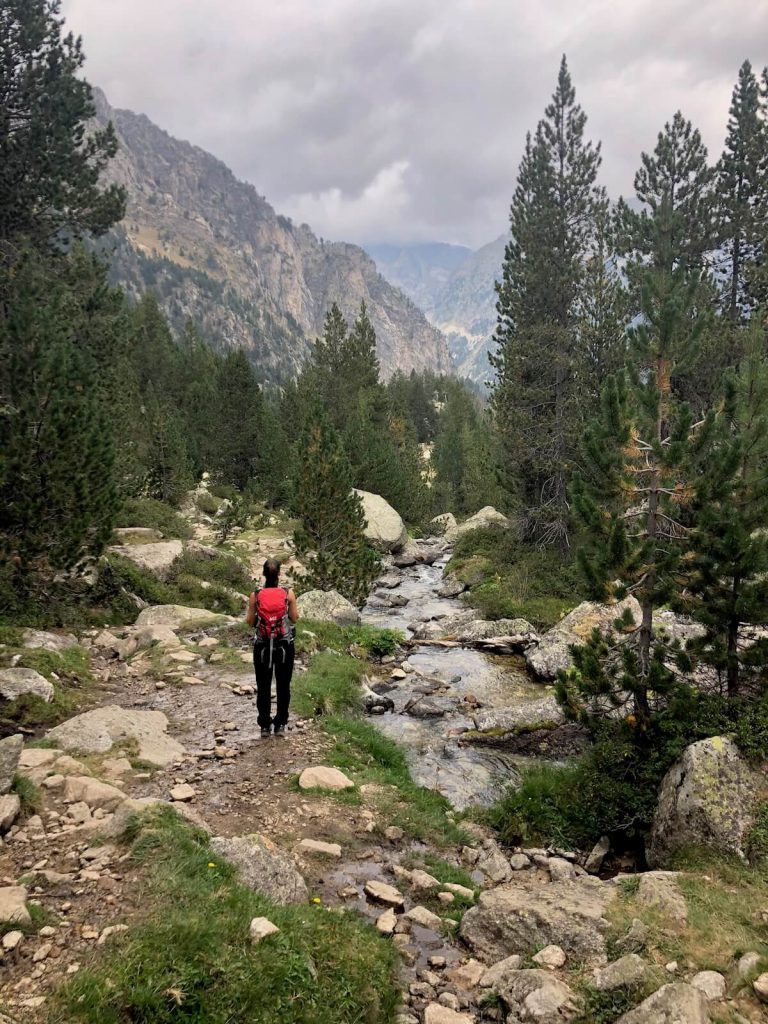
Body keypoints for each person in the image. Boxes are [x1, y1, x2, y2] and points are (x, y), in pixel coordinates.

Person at [246, 559, 299, 738]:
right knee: (283, 685)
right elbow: (294, 618)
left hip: (262, 647)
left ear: (263, 574)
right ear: (279, 574)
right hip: (284, 646)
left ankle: (264, 725)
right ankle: (280, 723)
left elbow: (250, 621)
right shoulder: (287, 593)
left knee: (263, 686)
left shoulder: (256, 595)